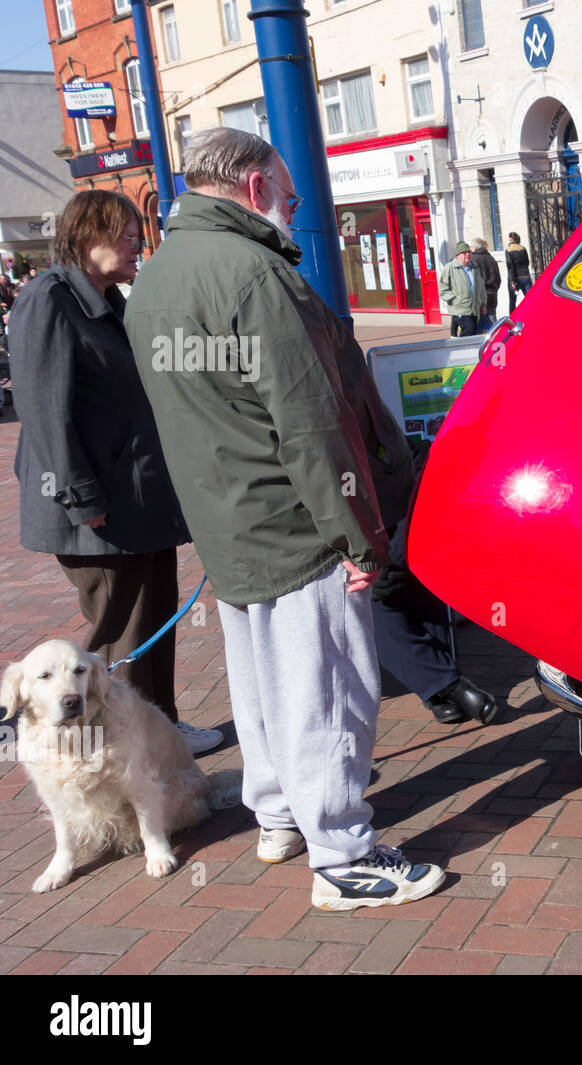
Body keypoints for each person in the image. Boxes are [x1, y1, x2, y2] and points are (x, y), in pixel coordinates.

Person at [123, 127, 444, 911]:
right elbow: (311, 423)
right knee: (325, 688)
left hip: (227, 521)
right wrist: (358, 537)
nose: (295, 209)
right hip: (296, 522)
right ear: (257, 188)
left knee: (265, 684)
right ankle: (343, 854)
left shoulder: (158, 277)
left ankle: (277, 815)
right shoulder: (256, 276)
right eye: (291, 195)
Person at [6, 190, 222, 756]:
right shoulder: (48, 300)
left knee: (150, 623)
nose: (138, 246)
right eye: (128, 236)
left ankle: (159, 730)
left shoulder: (110, 301)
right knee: (120, 631)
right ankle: (116, 751)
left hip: (137, 502)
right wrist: (80, 495)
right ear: (89, 236)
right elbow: (44, 409)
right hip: (99, 508)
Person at [438, 240, 485, 337]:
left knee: (473, 334)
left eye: (469, 252)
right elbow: (443, 289)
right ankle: (460, 350)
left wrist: (483, 304)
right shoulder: (450, 267)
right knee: (468, 329)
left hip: (474, 309)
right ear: (458, 255)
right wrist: (455, 300)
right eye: (464, 252)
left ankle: (467, 350)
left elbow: (481, 287)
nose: (467, 254)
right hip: (460, 308)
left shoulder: (474, 267)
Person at [469, 237, 501, 329]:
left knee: (481, 325)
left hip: (481, 295)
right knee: (492, 320)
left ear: (474, 248)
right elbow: (498, 279)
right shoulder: (491, 258)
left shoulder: (473, 259)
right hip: (492, 294)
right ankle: (496, 340)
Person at [505, 231, 531, 314]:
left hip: (515, 278)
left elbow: (510, 267)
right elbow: (527, 262)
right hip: (526, 276)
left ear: (510, 239)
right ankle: (531, 315)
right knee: (530, 300)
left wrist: (512, 282)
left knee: (512, 301)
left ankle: (512, 320)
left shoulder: (508, 250)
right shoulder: (523, 248)